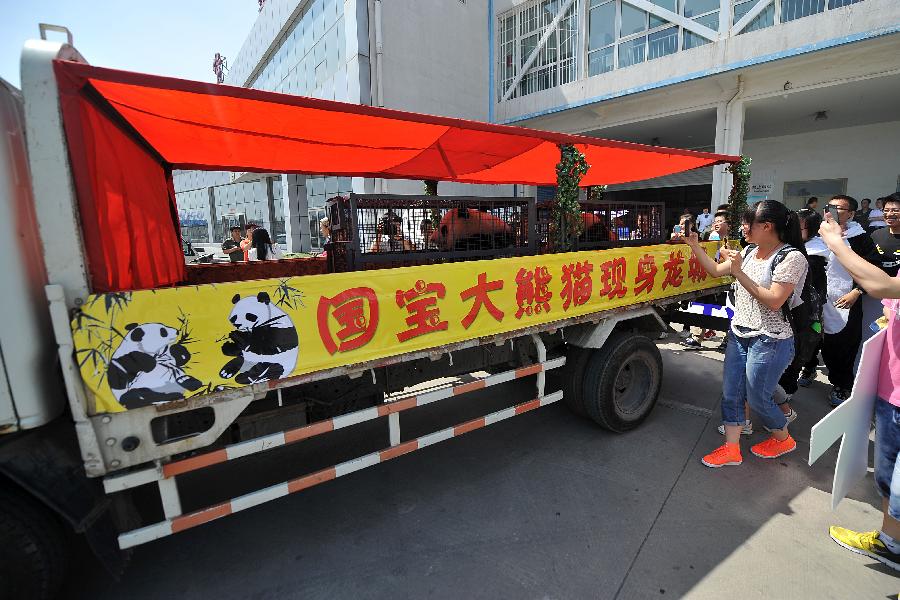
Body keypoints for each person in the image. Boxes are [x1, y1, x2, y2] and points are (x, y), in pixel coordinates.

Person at [684, 200, 808, 468]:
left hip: (771, 338)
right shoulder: (750, 250)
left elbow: (774, 300)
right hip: (740, 332)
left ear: (766, 226)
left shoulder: (791, 257)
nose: (742, 227)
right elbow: (717, 271)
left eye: (746, 223)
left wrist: (738, 272)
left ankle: (782, 438)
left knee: (758, 398)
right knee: (731, 392)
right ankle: (731, 449)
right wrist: (694, 245)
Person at [818, 213, 900, 572]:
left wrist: (836, 243)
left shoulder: (858, 241)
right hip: (890, 389)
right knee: (887, 477)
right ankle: (890, 542)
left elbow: (881, 285)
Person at [808, 195, 876, 406]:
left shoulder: (860, 237)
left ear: (852, 214)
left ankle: (841, 385)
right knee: (811, 339)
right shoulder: (817, 233)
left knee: (842, 346)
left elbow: (873, 270)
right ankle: (808, 369)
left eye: (839, 209)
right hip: (818, 300)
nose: (832, 212)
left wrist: (857, 291)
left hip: (845, 300)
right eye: (830, 207)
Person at [777, 208, 827, 405]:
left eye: (798, 225)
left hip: (800, 317)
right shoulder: (795, 250)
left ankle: (784, 402)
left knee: (794, 357)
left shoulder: (808, 257)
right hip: (791, 315)